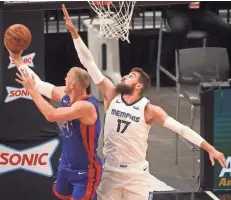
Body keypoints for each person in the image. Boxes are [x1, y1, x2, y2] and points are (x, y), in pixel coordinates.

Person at [62, 4, 227, 200]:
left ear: (139, 86)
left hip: (135, 175)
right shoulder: (112, 94)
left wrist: (210, 148)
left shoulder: (149, 110)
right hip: (110, 171)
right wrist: (75, 35)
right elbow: (89, 62)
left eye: (130, 76)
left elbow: (181, 129)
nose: (124, 77)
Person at [6, 48, 102, 200]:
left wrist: (31, 92)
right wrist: (18, 61)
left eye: (67, 77)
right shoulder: (66, 95)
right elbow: (39, 84)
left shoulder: (86, 106)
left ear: (73, 84)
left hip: (85, 170)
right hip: (66, 164)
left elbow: (51, 115)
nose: (64, 79)